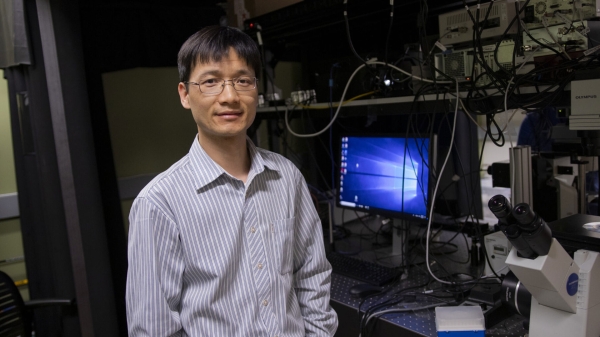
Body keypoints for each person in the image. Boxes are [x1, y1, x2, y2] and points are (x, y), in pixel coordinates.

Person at [125, 25, 338, 336]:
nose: (230, 96)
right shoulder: (158, 203)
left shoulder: (287, 177)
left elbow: (312, 274)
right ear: (185, 94)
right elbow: (153, 328)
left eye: (243, 81)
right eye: (211, 81)